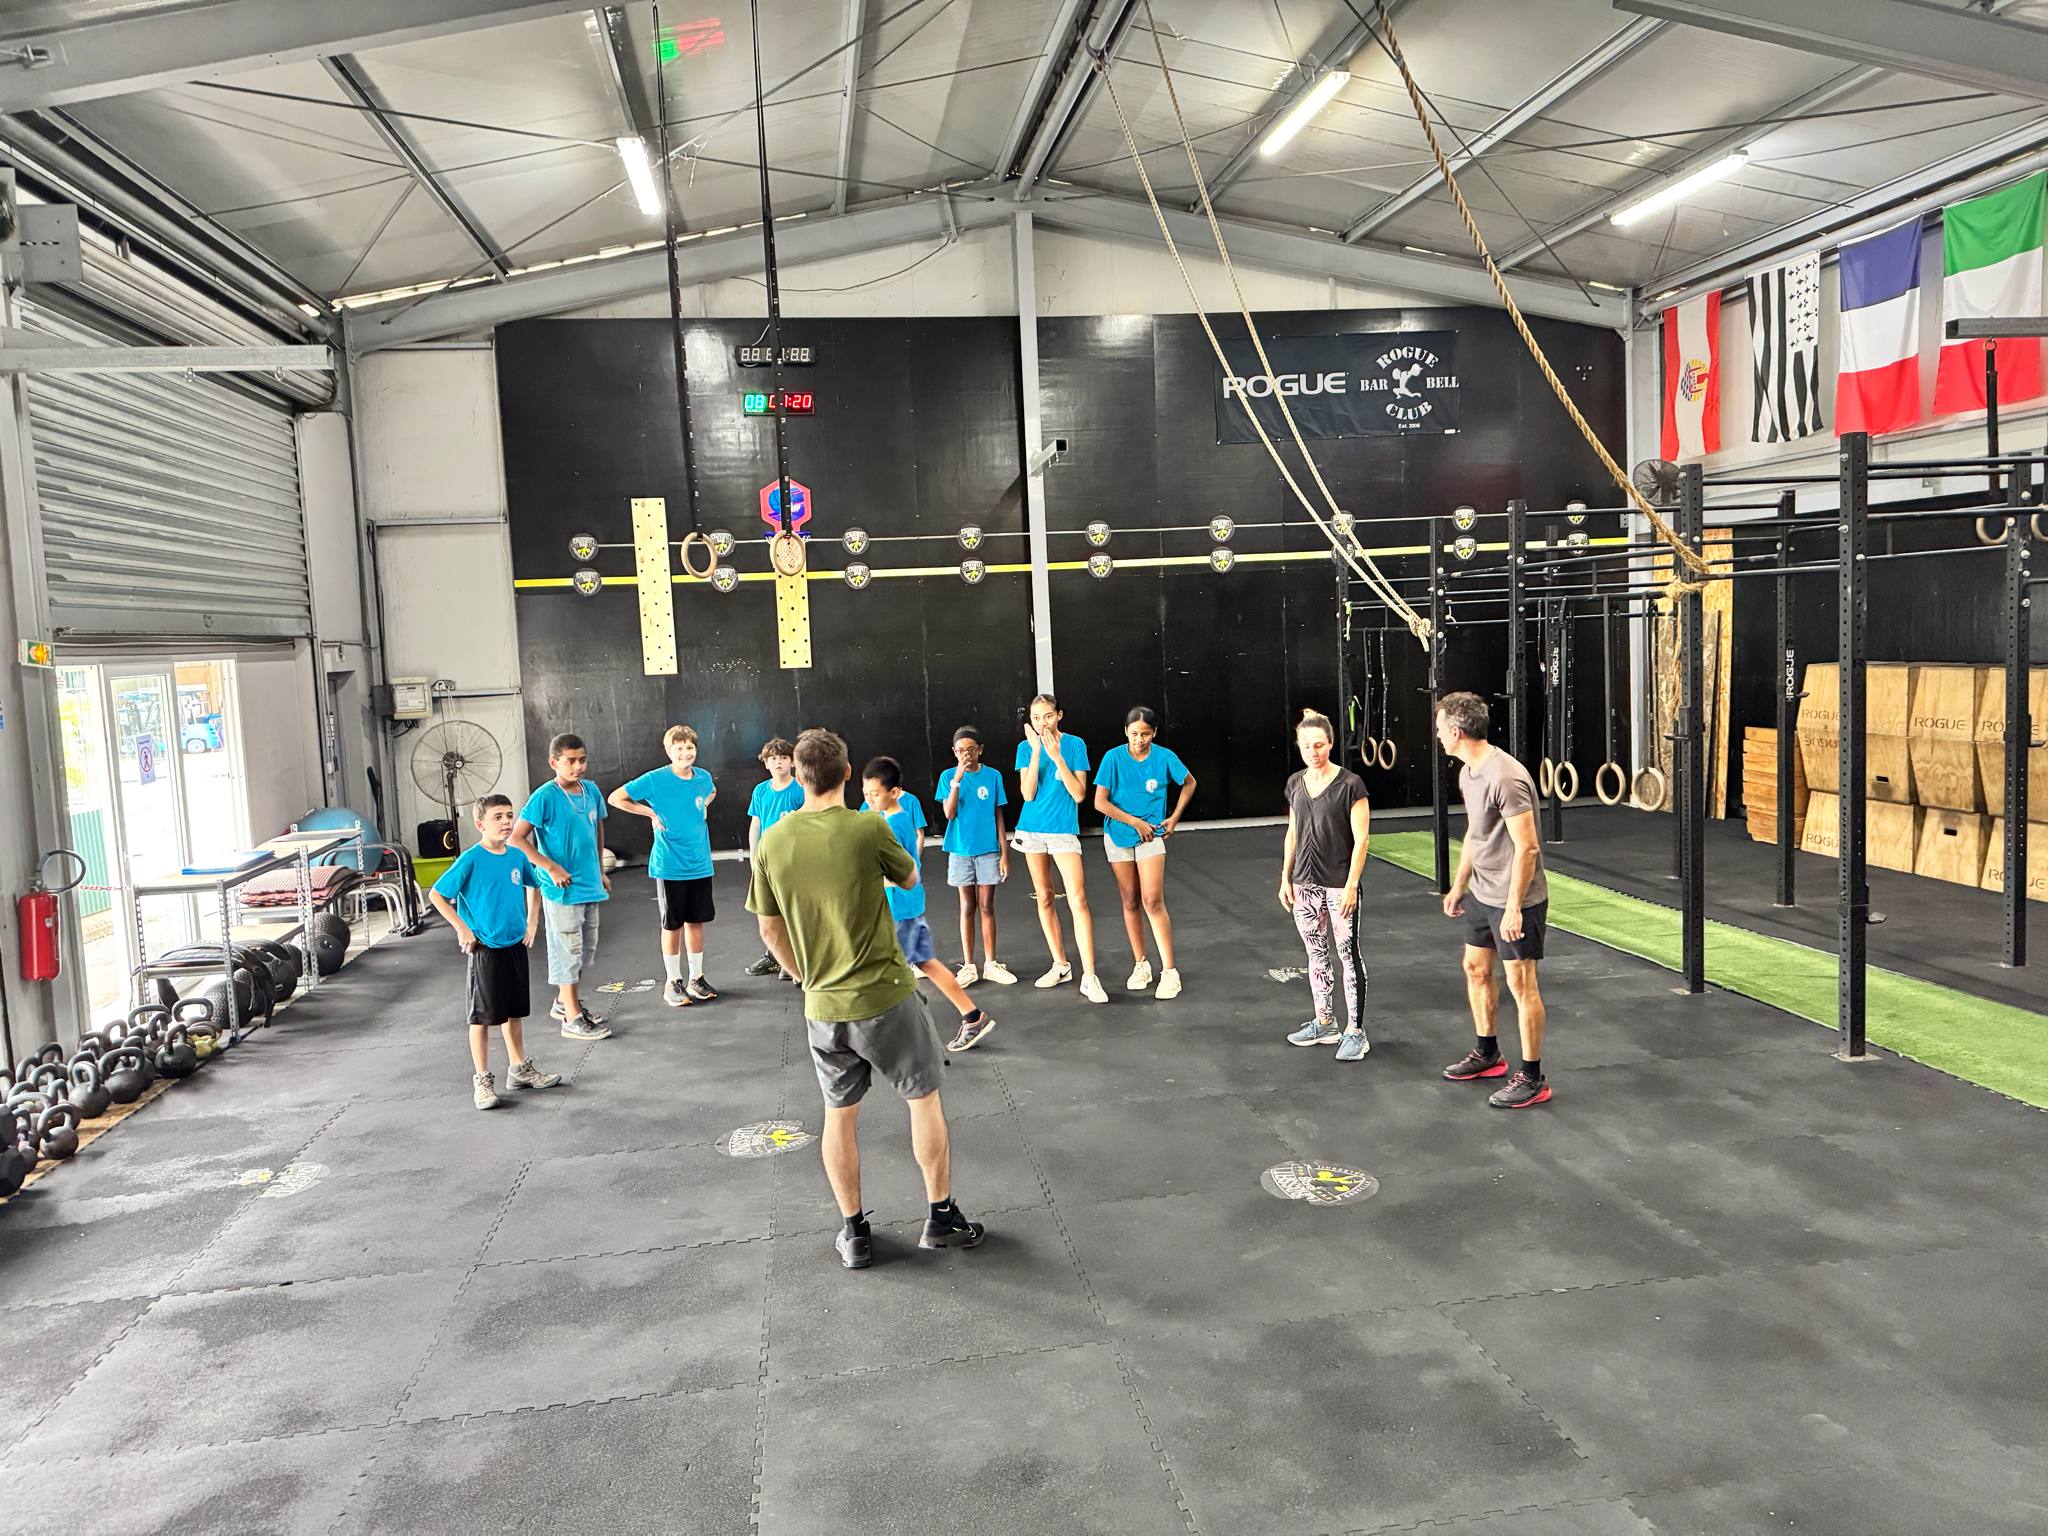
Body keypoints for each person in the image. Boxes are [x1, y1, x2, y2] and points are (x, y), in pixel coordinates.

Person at [750, 728, 986, 1269]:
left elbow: (768, 930)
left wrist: (805, 977)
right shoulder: (868, 825)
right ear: (846, 773)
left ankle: (854, 1234)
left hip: (824, 1006)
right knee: (923, 1101)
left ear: (798, 776)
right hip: (886, 996)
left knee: (838, 1116)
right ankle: (941, 1218)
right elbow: (910, 877)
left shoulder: (773, 841)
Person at [1434, 691, 1551, 1108]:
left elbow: (1528, 847)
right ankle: (1488, 1054)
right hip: (1483, 893)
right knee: (1475, 968)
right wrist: (1459, 884)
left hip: (1515, 898)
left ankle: (1534, 1078)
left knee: (1521, 984)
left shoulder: (1505, 777)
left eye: (1440, 728)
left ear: (1456, 731)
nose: (1437, 735)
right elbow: (1476, 832)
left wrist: (1514, 907)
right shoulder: (1469, 772)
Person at [428, 794, 562, 1109]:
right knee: (482, 1018)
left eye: (509, 815)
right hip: (485, 949)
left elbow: (534, 885)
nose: (506, 822)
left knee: (513, 1013)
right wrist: (462, 928)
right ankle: (482, 1080)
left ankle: (519, 1070)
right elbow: (436, 895)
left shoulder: (516, 855)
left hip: (515, 944)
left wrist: (532, 921)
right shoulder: (471, 859)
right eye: (498, 817)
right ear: (480, 824)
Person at [862, 756, 995, 1053]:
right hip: (899, 904)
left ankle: (970, 1017)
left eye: (875, 794)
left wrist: (871, 881)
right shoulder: (888, 819)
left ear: (895, 792)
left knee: (916, 963)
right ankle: (965, 1017)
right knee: (909, 964)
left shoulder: (893, 825)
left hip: (901, 905)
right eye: (866, 793)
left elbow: (902, 873)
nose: (869, 800)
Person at [1278, 709, 1371, 1062]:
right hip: (1305, 884)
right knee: (1315, 955)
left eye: (1319, 745)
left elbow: (1362, 840)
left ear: (1330, 743)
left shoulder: (1350, 785)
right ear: (1299, 747)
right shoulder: (1295, 784)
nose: (1313, 752)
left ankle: (1356, 1032)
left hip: (1338, 885)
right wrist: (1285, 877)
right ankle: (1325, 1022)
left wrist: (1351, 885)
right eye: (1307, 746)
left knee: (1347, 955)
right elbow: (1292, 832)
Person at [609, 724, 719, 1008]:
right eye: (679, 748)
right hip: (670, 864)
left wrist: (704, 804)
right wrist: (650, 813)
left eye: (689, 748)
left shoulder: (703, 777)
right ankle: (673, 982)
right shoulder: (655, 779)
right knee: (672, 924)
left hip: (699, 863)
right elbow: (616, 797)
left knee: (696, 921)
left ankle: (697, 978)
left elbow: (711, 791)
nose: (685, 753)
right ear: (669, 751)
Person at [511, 733, 612, 1040]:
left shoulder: (591, 790)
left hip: (589, 883)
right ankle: (571, 1017)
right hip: (562, 889)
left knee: (585, 951)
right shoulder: (544, 796)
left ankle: (563, 1001)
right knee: (567, 950)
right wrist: (550, 867)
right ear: (554, 763)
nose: (578, 766)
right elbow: (516, 838)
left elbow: (597, 828)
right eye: (570, 761)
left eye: (582, 760)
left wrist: (599, 869)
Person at [1092, 706, 1196, 998]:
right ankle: (1141, 964)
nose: (1139, 739)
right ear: (1126, 731)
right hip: (1119, 835)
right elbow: (1100, 802)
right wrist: (1133, 822)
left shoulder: (1164, 757)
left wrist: (1174, 817)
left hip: (1151, 835)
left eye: (1146, 734)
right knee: (1130, 899)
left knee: (1152, 899)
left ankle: (1170, 971)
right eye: (1135, 733)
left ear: (1154, 733)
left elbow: (1189, 783)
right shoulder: (1113, 758)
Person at [1013, 694, 1106, 1003]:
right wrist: (1037, 752)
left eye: (1048, 716)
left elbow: (1079, 794)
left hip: (1063, 831)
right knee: (1044, 896)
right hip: (1031, 830)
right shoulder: (1025, 747)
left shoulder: (1075, 745)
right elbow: (1027, 794)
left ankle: (1089, 977)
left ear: (1059, 715)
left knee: (1078, 899)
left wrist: (1057, 757)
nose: (1042, 722)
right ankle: (1060, 965)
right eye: (1036, 718)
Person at [936, 726, 1015, 988]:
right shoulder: (948, 776)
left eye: (971, 750)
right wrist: (957, 780)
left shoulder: (993, 776)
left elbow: (998, 817)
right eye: (961, 750)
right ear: (954, 752)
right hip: (960, 851)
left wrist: (1004, 853)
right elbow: (949, 813)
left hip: (988, 850)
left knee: (986, 905)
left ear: (980, 750)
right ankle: (969, 965)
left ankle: (991, 963)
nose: (966, 755)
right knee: (967, 906)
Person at [744, 738, 805, 979]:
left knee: (793, 909)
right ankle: (774, 957)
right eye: (773, 759)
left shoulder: (800, 789)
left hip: (793, 860)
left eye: (783, 758)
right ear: (766, 763)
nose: (778, 762)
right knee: (770, 910)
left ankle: (795, 959)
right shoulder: (760, 791)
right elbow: (756, 824)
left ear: (792, 762)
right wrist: (753, 857)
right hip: (767, 861)